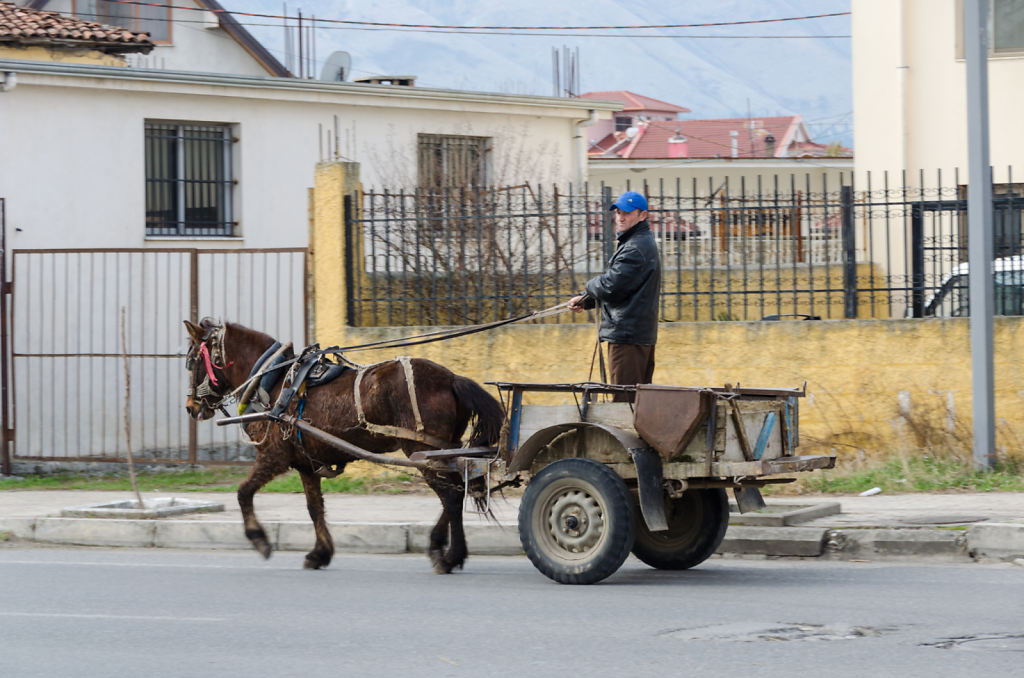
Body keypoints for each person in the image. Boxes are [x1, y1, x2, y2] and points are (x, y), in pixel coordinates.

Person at [569, 191, 660, 399]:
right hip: (635, 335)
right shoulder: (637, 243)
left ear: (642, 215)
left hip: (627, 337)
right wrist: (587, 300)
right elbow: (623, 287)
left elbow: (610, 286)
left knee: (624, 403)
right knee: (637, 402)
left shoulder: (635, 248)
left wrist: (589, 286)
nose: (620, 217)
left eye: (627, 212)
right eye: (618, 212)